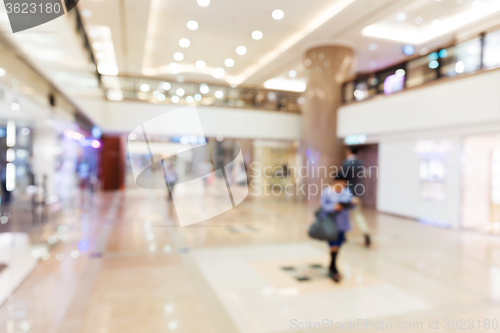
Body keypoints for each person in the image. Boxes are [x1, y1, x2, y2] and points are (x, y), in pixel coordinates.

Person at [320, 174, 358, 282]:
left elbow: (351, 205)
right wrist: (333, 207)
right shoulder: (327, 191)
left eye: (344, 183)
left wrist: (354, 203)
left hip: (342, 223)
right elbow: (322, 206)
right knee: (333, 245)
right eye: (340, 182)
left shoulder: (347, 192)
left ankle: (332, 265)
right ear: (335, 181)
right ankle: (333, 267)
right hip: (331, 223)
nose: (342, 185)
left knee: (338, 245)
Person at [341, 146, 371, 247]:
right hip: (357, 192)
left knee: (344, 214)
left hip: (347, 192)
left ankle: (343, 234)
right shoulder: (360, 163)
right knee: (358, 214)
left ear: (349, 152)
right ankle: (365, 231)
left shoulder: (346, 163)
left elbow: (343, 179)